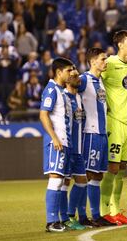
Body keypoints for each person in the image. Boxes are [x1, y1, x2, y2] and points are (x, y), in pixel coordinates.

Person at [100, 30, 127, 224]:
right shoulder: (110, 63)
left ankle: (116, 209)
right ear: (120, 44)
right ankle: (106, 209)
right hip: (114, 123)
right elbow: (93, 76)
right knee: (113, 168)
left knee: (122, 168)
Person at [77, 48, 114, 227]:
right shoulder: (84, 79)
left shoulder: (100, 82)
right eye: (102, 59)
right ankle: (81, 215)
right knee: (88, 173)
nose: (105, 62)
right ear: (92, 62)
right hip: (90, 133)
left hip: (101, 133)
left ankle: (96, 215)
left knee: (98, 175)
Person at [39, 57, 76, 232]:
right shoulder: (52, 90)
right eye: (68, 70)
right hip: (57, 143)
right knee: (55, 179)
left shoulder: (61, 91)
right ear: (59, 72)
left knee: (61, 181)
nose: (72, 73)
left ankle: (59, 220)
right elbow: (43, 115)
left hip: (65, 144)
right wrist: (54, 137)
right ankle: (51, 222)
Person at [59, 65, 86, 230]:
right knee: (64, 182)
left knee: (82, 181)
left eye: (78, 76)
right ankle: (65, 218)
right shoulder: (63, 97)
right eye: (75, 76)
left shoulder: (79, 98)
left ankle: (69, 214)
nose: (78, 79)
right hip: (68, 147)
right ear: (68, 80)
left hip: (79, 149)